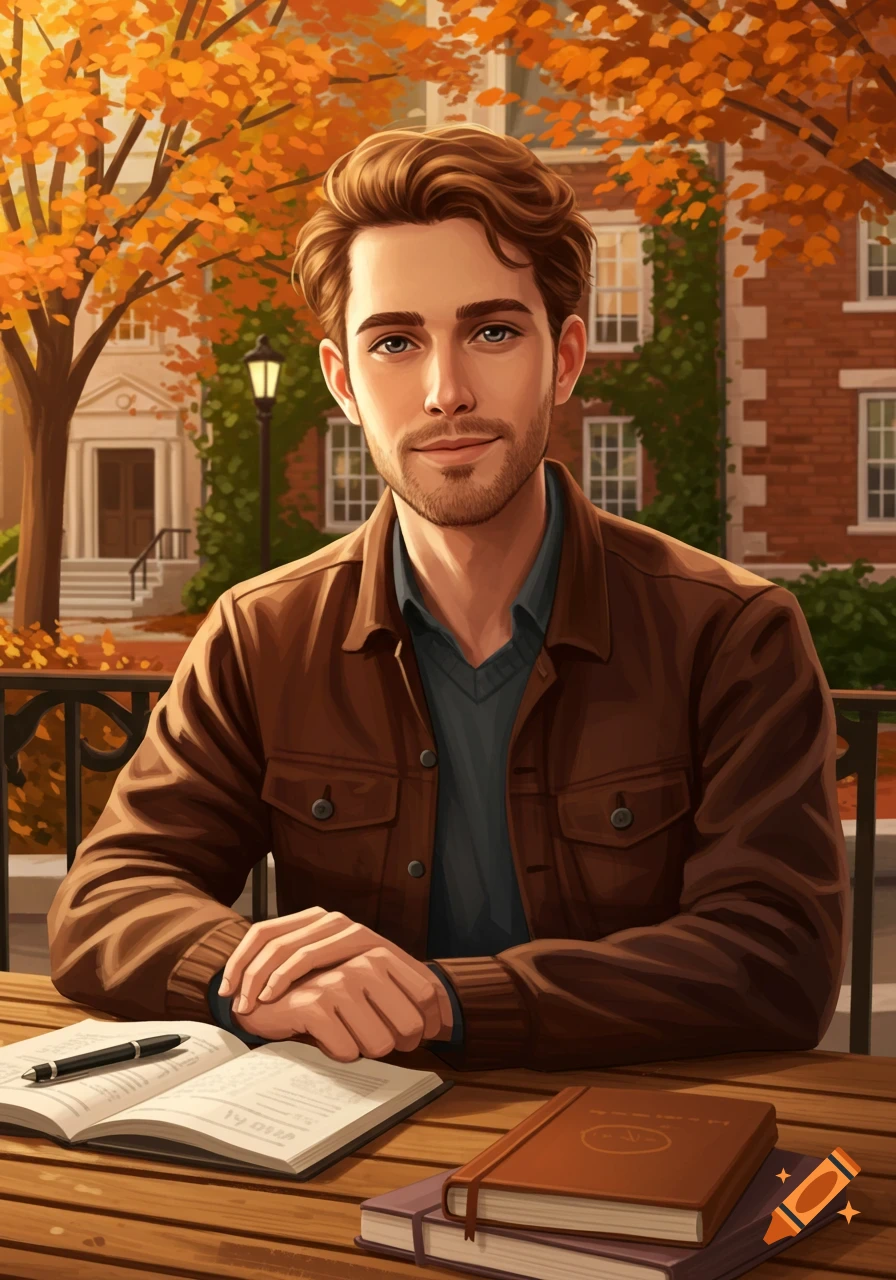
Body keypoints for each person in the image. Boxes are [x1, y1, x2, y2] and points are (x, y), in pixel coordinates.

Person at [47, 124, 848, 1073]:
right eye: (395, 341)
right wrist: (254, 969)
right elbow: (108, 896)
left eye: (493, 331)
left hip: (631, 1143)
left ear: (564, 356)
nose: (445, 391)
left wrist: (443, 1001)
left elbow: (774, 959)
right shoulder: (263, 633)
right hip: (338, 1139)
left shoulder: (730, 632)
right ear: (342, 382)